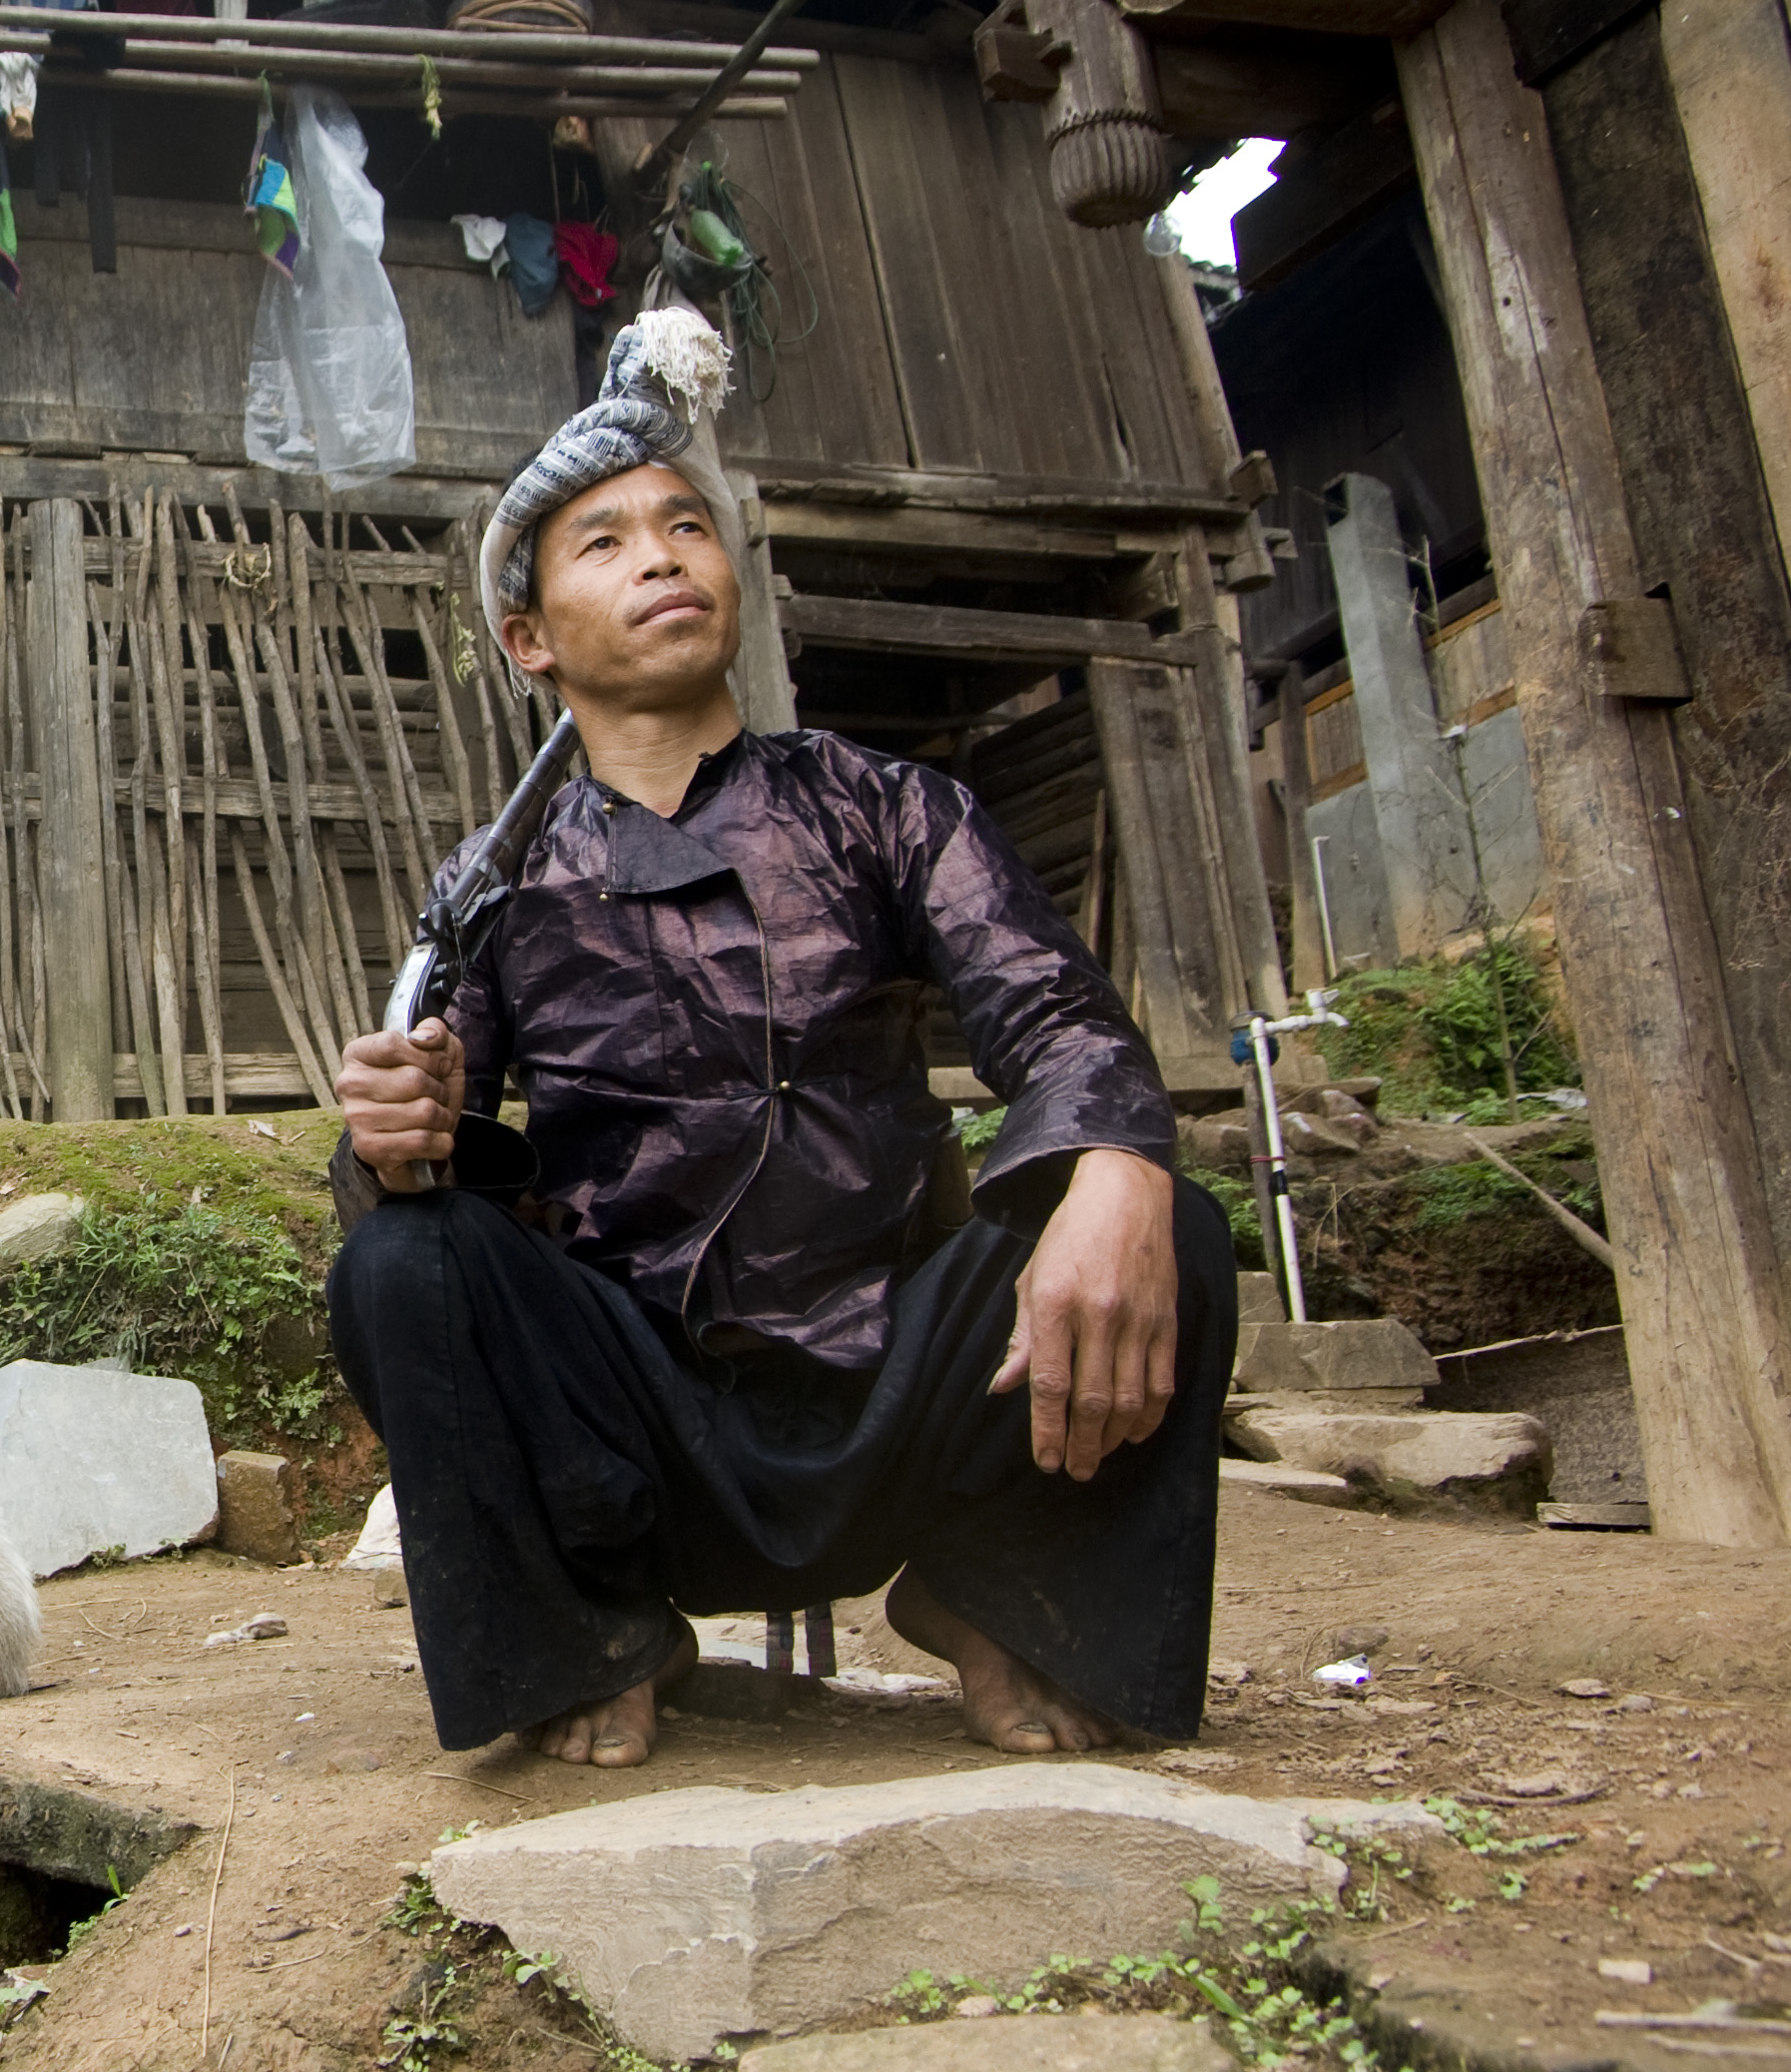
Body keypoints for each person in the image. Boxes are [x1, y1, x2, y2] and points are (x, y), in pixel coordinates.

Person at [328, 308, 1233, 1770]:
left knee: (1161, 1218)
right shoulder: (491, 891)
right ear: (530, 640)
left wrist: (1115, 1167)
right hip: (637, 1432)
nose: (664, 555)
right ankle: (598, 1631)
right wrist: (402, 1143)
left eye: (686, 525)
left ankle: (1003, 1597)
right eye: (605, 544)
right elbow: (424, 1186)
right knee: (398, 1264)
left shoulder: (888, 809)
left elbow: (1057, 1021)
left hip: (907, 1385)